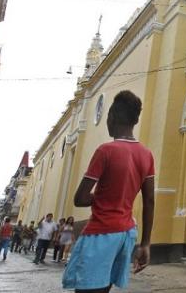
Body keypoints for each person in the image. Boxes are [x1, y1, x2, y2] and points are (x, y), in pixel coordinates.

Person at [63, 90, 155, 292]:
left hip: (100, 233)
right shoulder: (147, 155)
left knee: (87, 288)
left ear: (111, 118)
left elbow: (79, 198)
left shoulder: (105, 151)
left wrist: (100, 197)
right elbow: (149, 201)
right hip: (126, 235)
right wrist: (146, 244)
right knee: (105, 288)